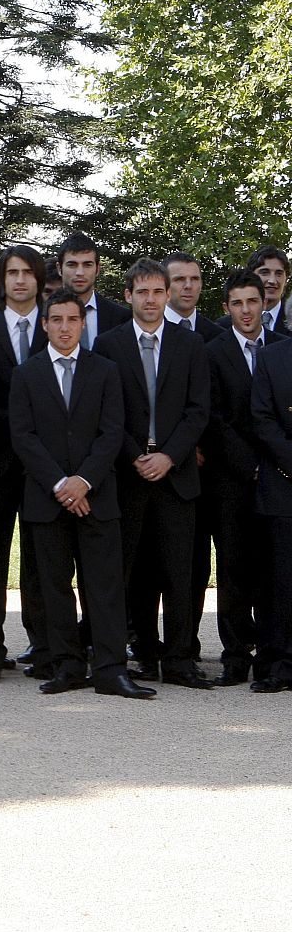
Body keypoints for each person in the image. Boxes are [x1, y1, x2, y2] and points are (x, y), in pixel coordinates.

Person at [11, 290, 153, 699]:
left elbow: (112, 432)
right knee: (54, 586)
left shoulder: (105, 371)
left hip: (97, 495)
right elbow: (24, 436)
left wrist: (83, 481)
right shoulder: (27, 374)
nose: (64, 327)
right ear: (45, 324)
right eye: (56, 320)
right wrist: (60, 484)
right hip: (47, 497)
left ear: (83, 323)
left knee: (104, 587)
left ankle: (110, 670)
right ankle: (67, 666)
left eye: (72, 320)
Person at [92, 258, 212, 689]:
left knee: (180, 572)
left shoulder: (190, 345)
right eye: (141, 292)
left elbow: (199, 411)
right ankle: (144, 651)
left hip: (177, 476)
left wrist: (170, 456)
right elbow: (108, 414)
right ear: (127, 296)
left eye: (157, 291)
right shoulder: (108, 345)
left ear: (167, 295)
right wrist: (136, 457)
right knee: (135, 571)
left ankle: (180, 658)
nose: (150, 299)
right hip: (129, 476)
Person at [0, 245, 50, 677]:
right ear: (2, 280)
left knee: (42, 560)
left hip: (43, 466)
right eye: (12, 273)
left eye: (27, 272)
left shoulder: (58, 326)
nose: (20, 280)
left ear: (39, 278)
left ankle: (43, 646)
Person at [206, 270, 282, 686]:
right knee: (234, 567)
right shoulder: (213, 352)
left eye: (252, 301)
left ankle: (273, 652)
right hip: (231, 479)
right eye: (237, 303)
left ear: (264, 303)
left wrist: (272, 463)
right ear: (226, 308)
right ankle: (236, 654)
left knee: (274, 567)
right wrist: (248, 465)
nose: (246, 310)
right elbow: (214, 420)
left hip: (279, 475)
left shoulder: (284, 349)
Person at [249, 332, 292, 691]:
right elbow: (262, 418)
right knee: (281, 580)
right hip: (282, 483)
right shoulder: (270, 358)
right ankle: (280, 662)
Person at [57, 232, 131, 348]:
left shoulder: (121, 317)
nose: (80, 272)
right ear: (59, 268)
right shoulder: (42, 315)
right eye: (72, 265)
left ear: (97, 269)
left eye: (87, 265)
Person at [221, 246, 292, 337]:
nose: (272, 281)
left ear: (286, 280)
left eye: (279, 274)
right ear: (251, 276)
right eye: (264, 272)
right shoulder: (224, 326)